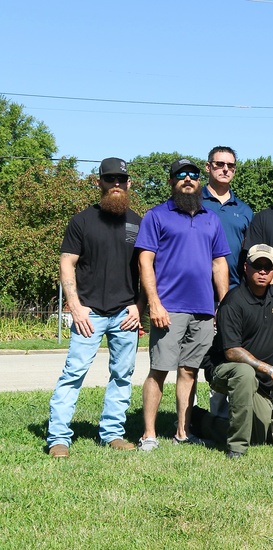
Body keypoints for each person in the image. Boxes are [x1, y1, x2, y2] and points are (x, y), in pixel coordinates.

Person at [46, 157, 143, 457]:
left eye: (120, 179)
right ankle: (58, 438)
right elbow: (67, 263)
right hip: (88, 313)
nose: (115, 184)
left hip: (126, 314)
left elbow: (149, 269)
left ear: (128, 183)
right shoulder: (81, 221)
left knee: (122, 375)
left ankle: (112, 433)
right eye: (109, 179)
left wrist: (140, 307)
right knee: (73, 373)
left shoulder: (139, 223)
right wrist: (74, 306)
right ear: (99, 182)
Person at [134, 158, 229, 450]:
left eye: (193, 175)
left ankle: (182, 432)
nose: (187, 179)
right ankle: (149, 434)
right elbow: (145, 261)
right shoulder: (157, 216)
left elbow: (219, 264)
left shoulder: (210, 218)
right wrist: (154, 303)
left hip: (202, 309)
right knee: (159, 370)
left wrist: (222, 306)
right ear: (171, 181)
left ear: (199, 181)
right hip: (169, 308)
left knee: (190, 371)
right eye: (181, 175)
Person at [194, 245, 273, 458]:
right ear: (246, 267)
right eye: (257, 266)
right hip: (224, 369)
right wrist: (272, 371)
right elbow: (232, 352)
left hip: (260, 381)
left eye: (267, 266)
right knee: (245, 374)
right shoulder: (233, 302)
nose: (262, 271)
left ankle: (200, 421)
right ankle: (236, 448)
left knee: (259, 435)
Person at [201, 146, 253, 289]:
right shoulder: (193, 203)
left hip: (234, 289)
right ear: (208, 166)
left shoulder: (244, 210)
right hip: (197, 289)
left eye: (230, 165)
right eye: (219, 164)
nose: (225, 169)